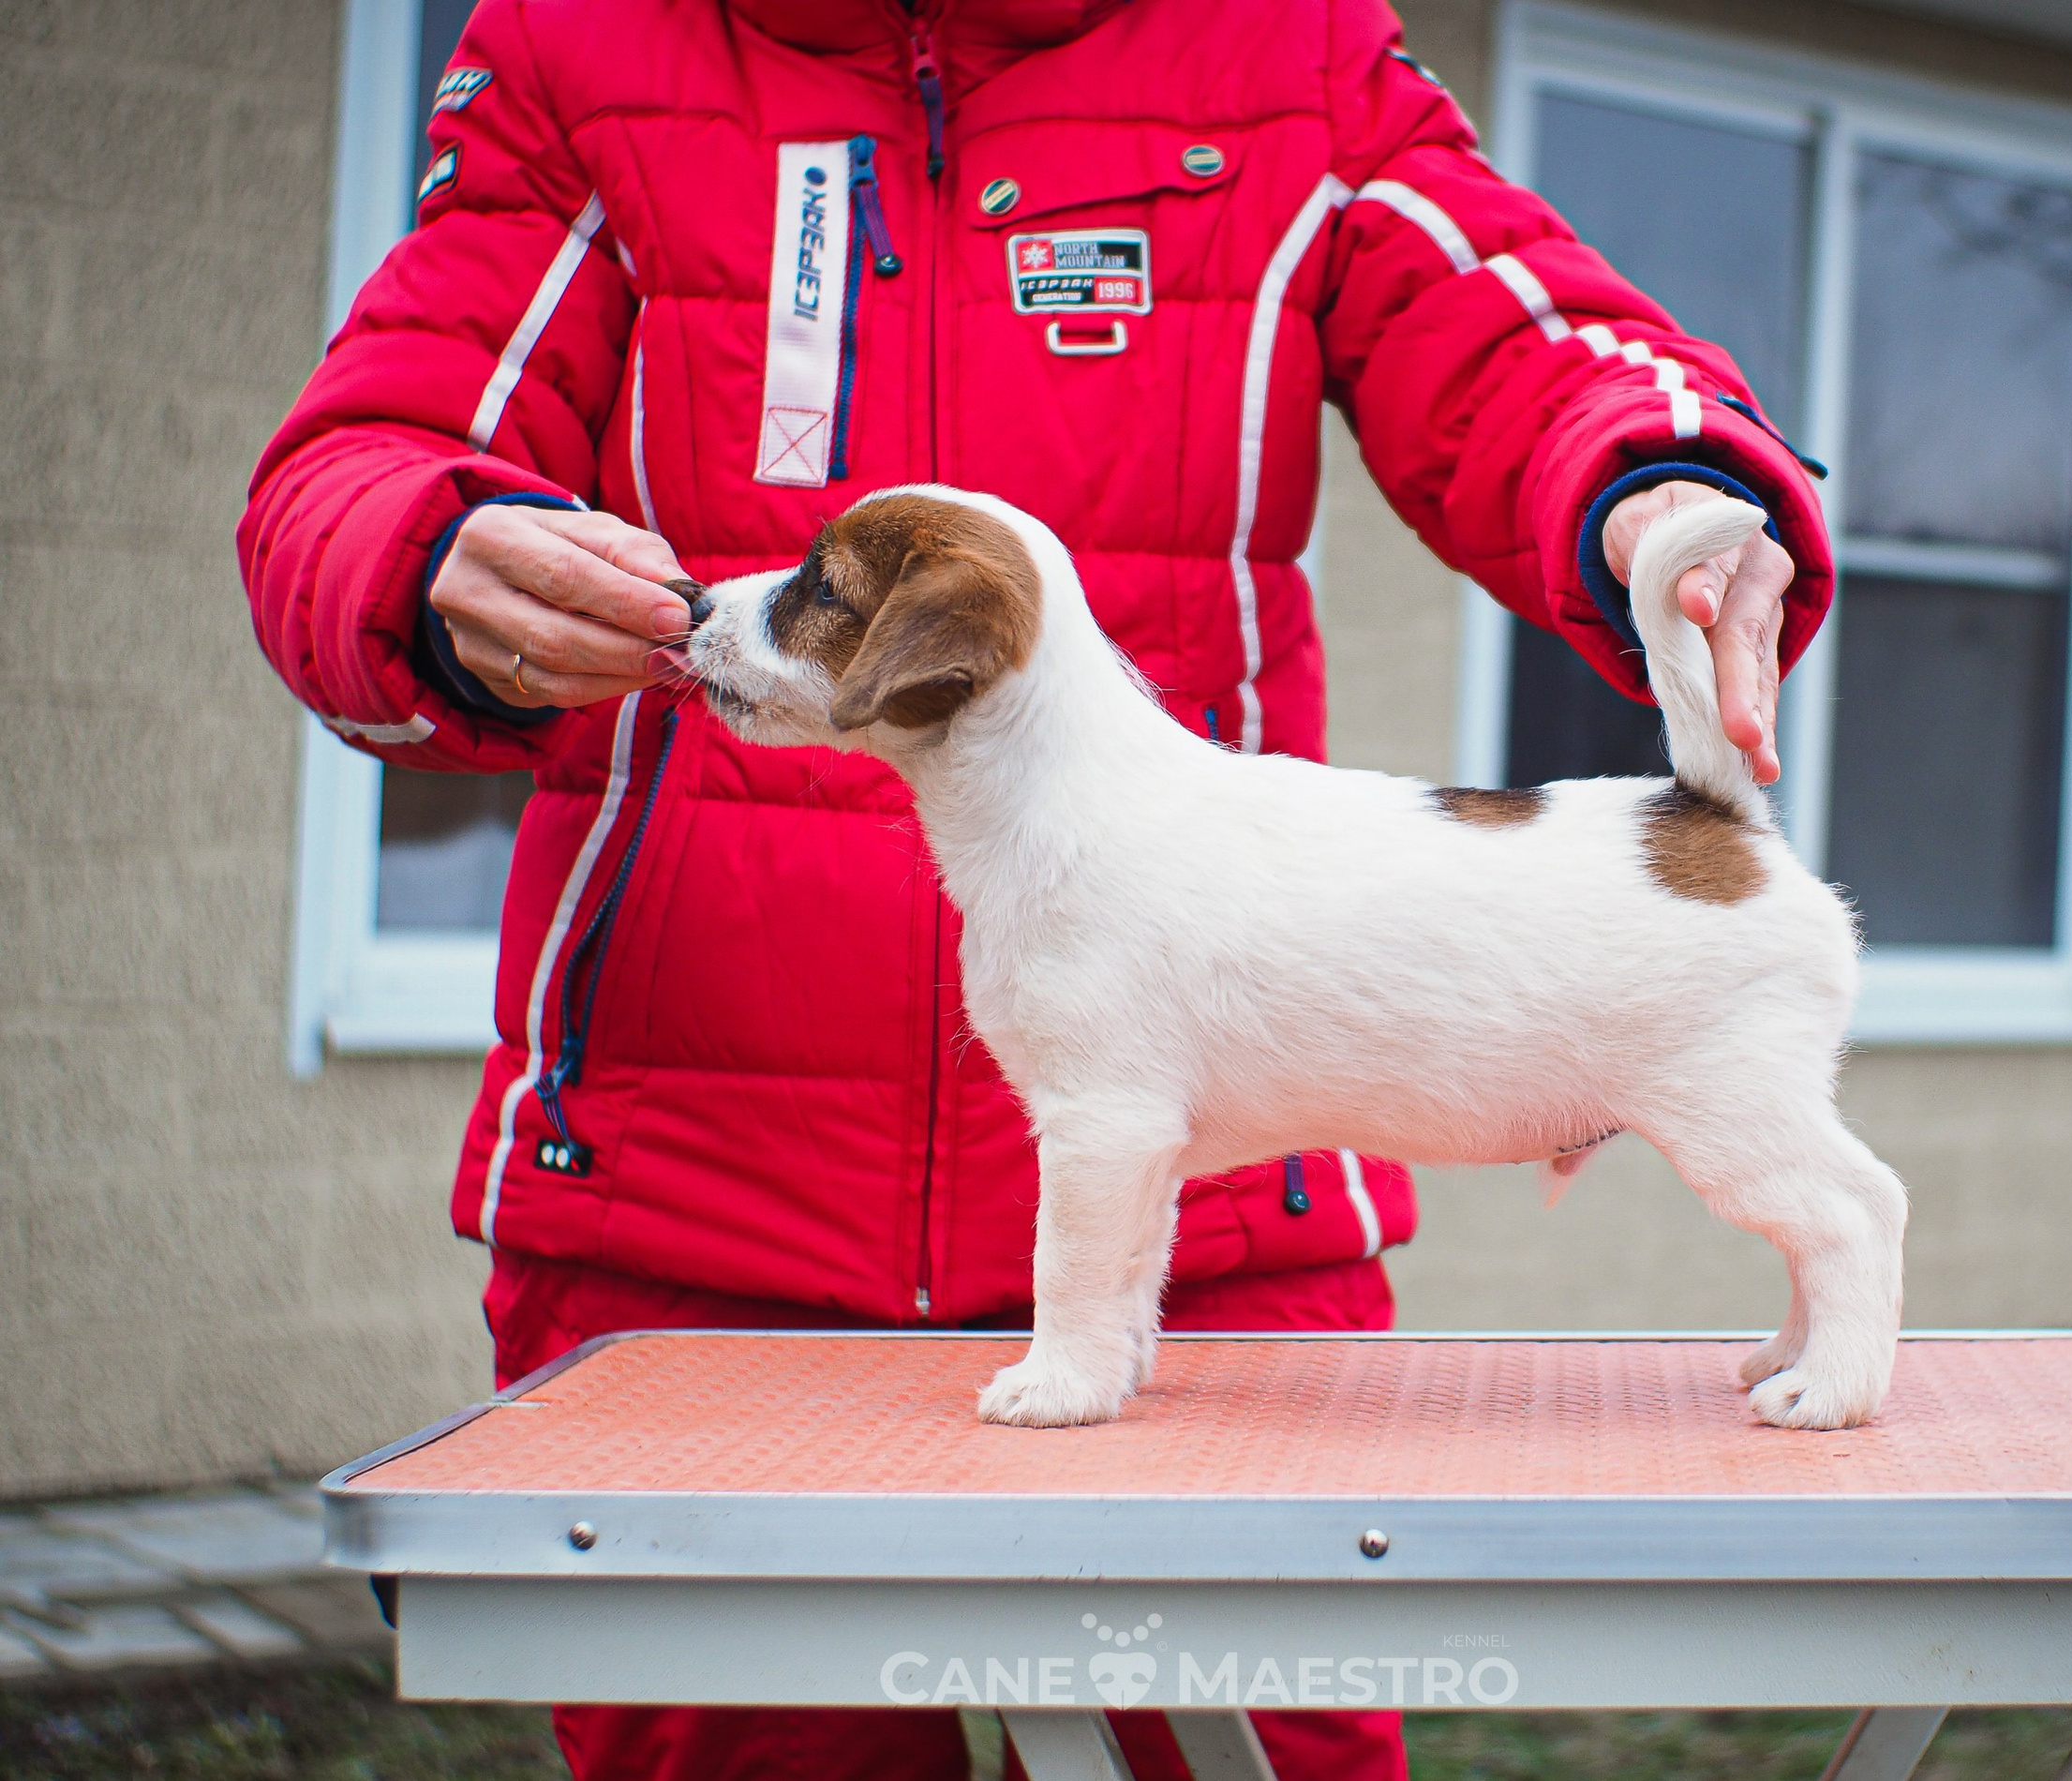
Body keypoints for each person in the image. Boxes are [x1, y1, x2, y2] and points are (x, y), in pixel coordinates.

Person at [240, 2, 1831, 1775]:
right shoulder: (575, 48)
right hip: (694, 1235)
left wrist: (1670, 483)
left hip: (1218, 1247)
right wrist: (422, 552)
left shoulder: (1293, 54)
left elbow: (1538, 344)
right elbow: (356, 459)